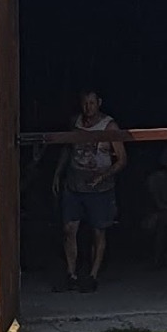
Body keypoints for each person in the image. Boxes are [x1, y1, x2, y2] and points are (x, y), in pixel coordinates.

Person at [53, 88, 126, 293]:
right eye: (85, 103)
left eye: (92, 103)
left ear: (99, 103)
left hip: (100, 188)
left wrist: (103, 176)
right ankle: (71, 274)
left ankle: (92, 275)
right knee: (69, 229)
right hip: (74, 185)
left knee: (98, 231)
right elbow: (67, 149)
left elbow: (121, 159)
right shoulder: (75, 122)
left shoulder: (109, 126)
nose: (88, 107)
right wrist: (58, 173)